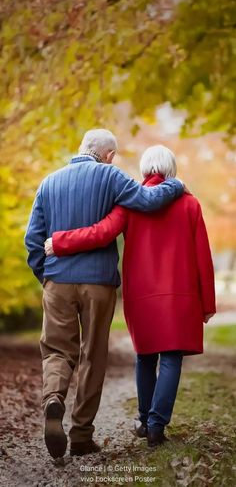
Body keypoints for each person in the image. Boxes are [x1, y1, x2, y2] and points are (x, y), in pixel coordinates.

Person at [25, 130, 184, 459]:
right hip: (98, 283)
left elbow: (33, 239)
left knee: (56, 349)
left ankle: (54, 397)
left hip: (58, 280)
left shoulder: (49, 182)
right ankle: (81, 435)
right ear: (108, 155)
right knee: (93, 355)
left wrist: (47, 276)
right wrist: (175, 184)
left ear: (82, 148)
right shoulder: (111, 176)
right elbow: (148, 201)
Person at [45, 144, 216, 449]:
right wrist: (207, 303)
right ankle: (155, 425)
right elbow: (203, 257)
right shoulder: (190, 205)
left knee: (145, 356)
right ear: (171, 169)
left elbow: (100, 232)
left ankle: (143, 418)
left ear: (145, 169)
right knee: (172, 357)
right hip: (180, 297)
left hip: (142, 296)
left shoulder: (129, 204)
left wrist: (59, 242)